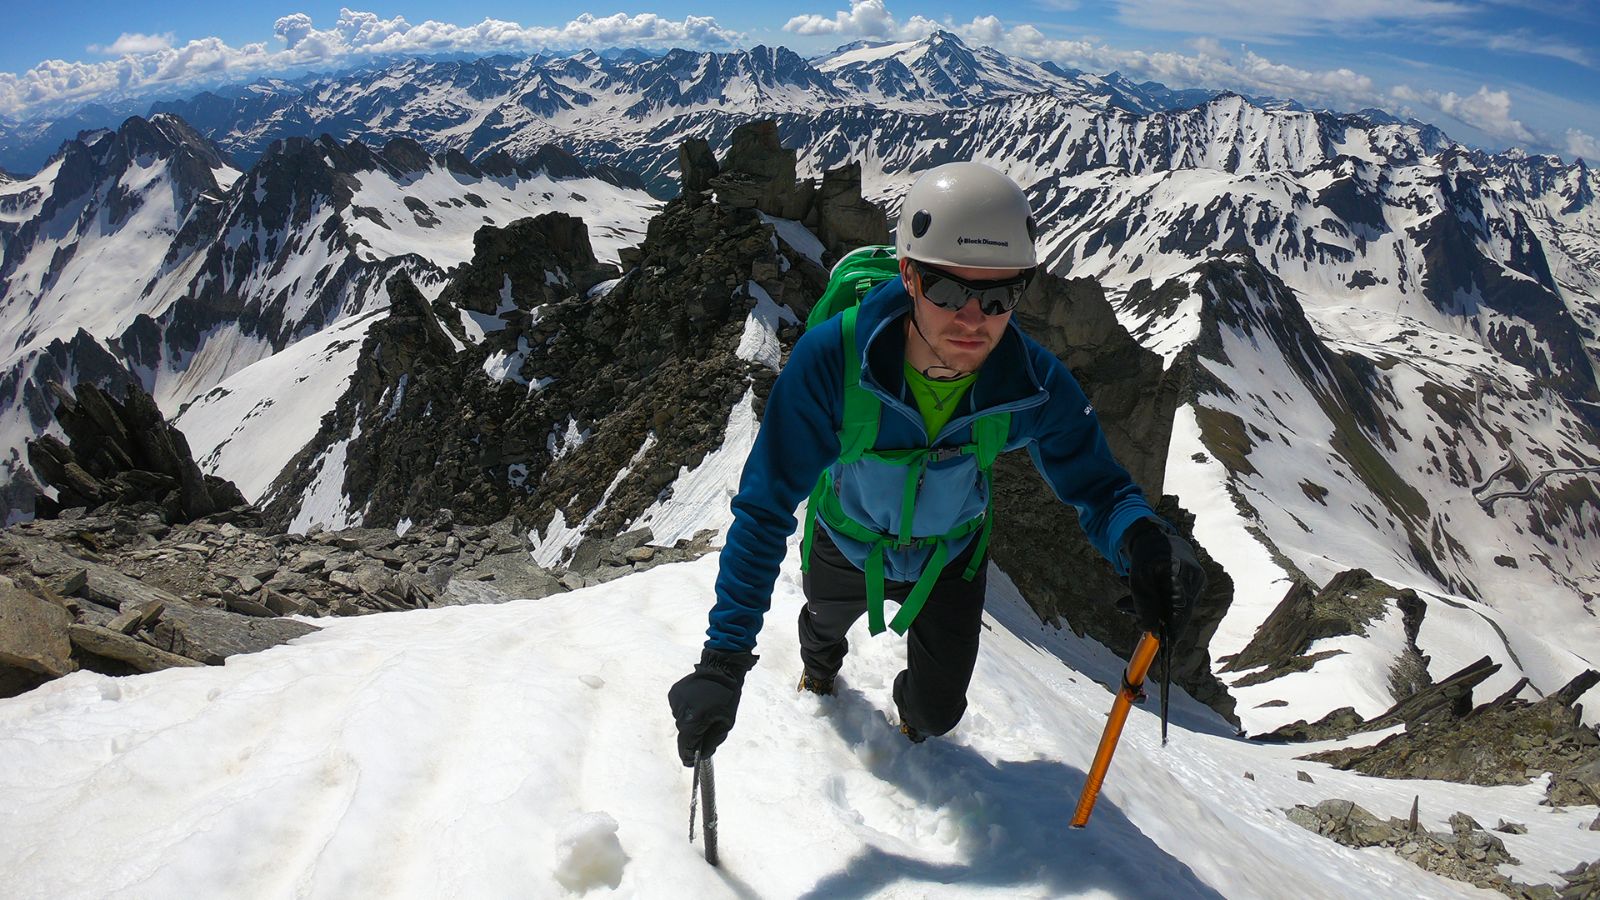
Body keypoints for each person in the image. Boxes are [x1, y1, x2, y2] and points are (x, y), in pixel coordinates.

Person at [668, 161, 1206, 766]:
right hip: (845, 542)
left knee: (937, 713)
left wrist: (1141, 541)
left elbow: (1100, 488)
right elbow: (764, 508)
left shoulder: (1028, 383)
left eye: (1000, 294)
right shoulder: (833, 362)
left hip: (951, 558)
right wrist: (724, 660)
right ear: (909, 275)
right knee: (822, 634)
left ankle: (911, 716)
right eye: (949, 289)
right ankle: (820, 666)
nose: (974, 318)